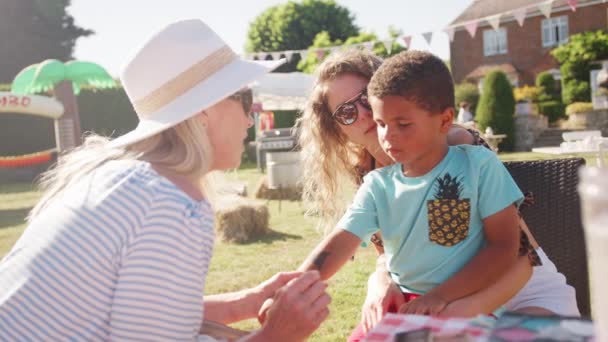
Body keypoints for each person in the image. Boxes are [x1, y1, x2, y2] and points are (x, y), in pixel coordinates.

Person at [0, 19, 329, 342]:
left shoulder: (117, 177)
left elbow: (145, 315)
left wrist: (246, 302)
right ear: (203, 111)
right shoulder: (173, 203)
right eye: (243, 98)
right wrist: (276, 335)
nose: (249, 117)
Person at [296, 49, 579, 337]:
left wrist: (456, 307)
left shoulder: (457, 151)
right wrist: (380, 283)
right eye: (346, 111)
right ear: (336, 129)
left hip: (521, 296)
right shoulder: (374, 178)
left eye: (366, 97)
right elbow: (387, 252)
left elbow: (519, 255)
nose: (365, 114)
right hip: (443, 304)